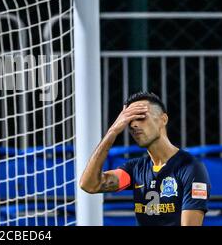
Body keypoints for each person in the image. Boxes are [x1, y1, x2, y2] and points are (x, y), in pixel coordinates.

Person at [80, 91, 211, 226]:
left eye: (141, 117)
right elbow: (90, 185)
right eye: (129, 121)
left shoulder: (190, 167)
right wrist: (112, 131)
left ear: (163, 119)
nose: (133, 125)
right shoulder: (135, 169)